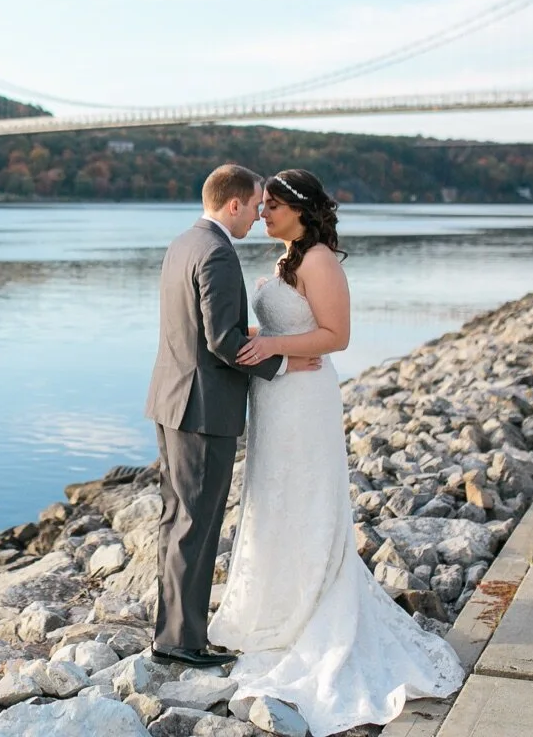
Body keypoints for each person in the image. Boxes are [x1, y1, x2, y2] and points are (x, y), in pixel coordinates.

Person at [207, 168, 464, 736]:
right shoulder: (286, 261)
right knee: (272, 498)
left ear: (300, 210)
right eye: (261, 204)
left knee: (305, 497)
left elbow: (336, 335)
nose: (262, 213)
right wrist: (254, 340)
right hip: (274, 397)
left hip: (304, 399)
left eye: (272, 205)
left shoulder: (319, 259)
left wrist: (272, 345)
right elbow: (284, 326)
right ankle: (268, 608)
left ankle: (309, 609)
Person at [144, 164, 323, 668]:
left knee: (176, 520)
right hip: (203, 409)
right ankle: (181, 642)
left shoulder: (185, 242)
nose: (260, 214)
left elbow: (204, 327)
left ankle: (172, 634)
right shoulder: (219, 253)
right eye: (257, 204)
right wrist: (283, 360)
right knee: (195, 526)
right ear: (234, 205)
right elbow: (222, 341)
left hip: (171, 398)